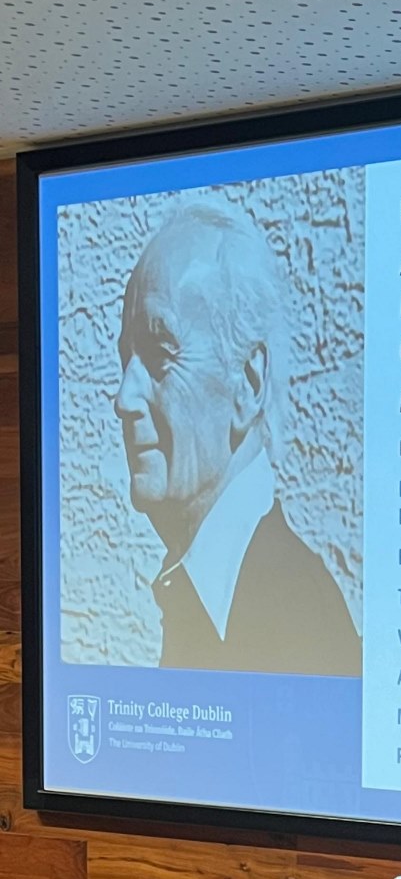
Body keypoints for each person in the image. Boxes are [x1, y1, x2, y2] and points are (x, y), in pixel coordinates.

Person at [113, 202, 361, 675]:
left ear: (248, 384)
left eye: (160, 352)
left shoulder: (301, 620)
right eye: (126, 358)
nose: (124, 398)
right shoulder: (200, 597)